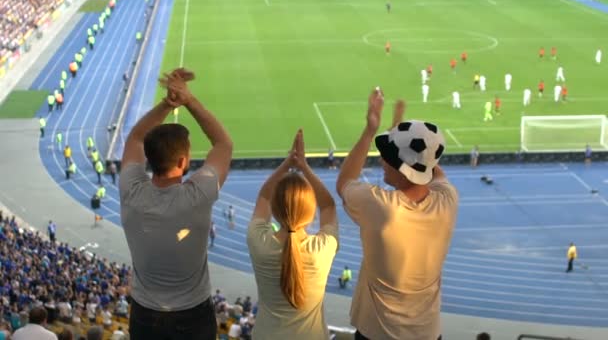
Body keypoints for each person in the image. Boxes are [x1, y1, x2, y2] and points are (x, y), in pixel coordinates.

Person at [336, 88, 458, 340]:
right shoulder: (448, 201)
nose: (381, 161)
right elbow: (427, 165)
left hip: (377, 334)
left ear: (402, 169)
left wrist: (371, 129)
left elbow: (345, 181)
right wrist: (401, 132)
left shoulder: (380, 208)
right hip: (428, 333)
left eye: (387, 158)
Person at [119, 68, 232, 340]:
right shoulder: (197, 195)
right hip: (193, 315)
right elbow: (223, 144)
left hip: (145, 316)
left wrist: (167, 104)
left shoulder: (130, 190)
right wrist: (187, 100)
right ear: (183, 162)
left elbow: (135, 137)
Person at [247, 129, 338, 340]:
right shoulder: (322, 248)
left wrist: (288, 163)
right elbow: (329, 206)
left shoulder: (259, 242)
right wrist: (304, 166)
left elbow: (263, 196)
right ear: (310, 214)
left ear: (275, 212)